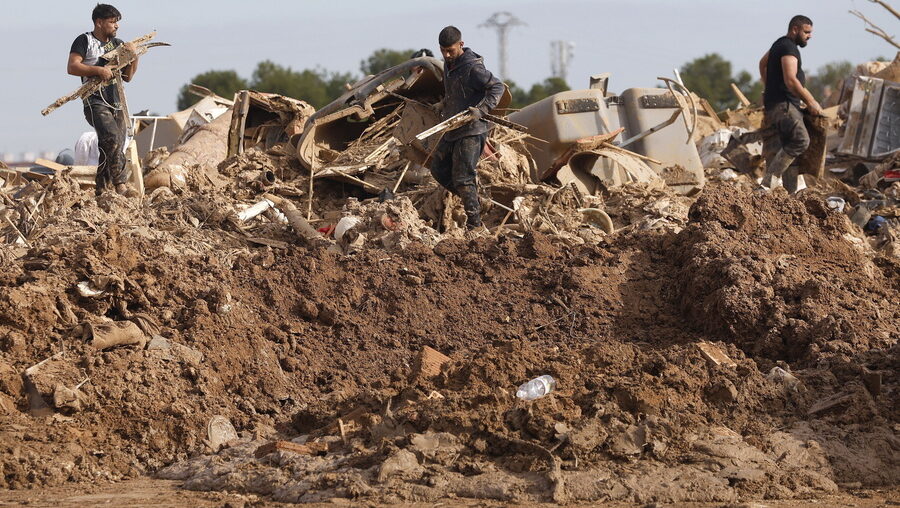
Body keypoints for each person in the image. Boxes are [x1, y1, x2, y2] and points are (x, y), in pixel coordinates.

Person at [430, 26, 505, 229]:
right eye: (443, 50)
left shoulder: (473, 68)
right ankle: (475, 199)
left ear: (461, 45)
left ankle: (475, 225)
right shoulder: (449, 65)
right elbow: (457, 91)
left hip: (472, 130)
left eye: (450, 50)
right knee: (437, 168)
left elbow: (498, 87)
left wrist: (480, 110)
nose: (446, 55)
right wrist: (444, 103)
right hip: (453, 127)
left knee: (463, 177)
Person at [67, 3, 139, 197]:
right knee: (112, 137)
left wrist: (134, 58)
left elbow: (127, 77)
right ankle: (121, 184)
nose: (116, 26)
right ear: (99, 22)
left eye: (117, 22)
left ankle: (101, 189)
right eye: (112, 22)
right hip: (94, 101)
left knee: (112, 145)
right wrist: (98, 70)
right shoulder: (84, 41)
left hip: (116, 102)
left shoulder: (118, 45)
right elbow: (73, 67)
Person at [757, 15, 822, 192]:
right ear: (795, 29)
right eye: (806, 32)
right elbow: (791, 80)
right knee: (800, 141)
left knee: (788, 148)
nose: (809, 36)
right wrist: (811, 101)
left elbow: (762, 64)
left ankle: (791, 194)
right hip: (784, 104)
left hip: (778, 103)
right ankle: (766, 185)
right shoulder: (788, 47)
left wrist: (769, 86)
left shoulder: (779, 44)